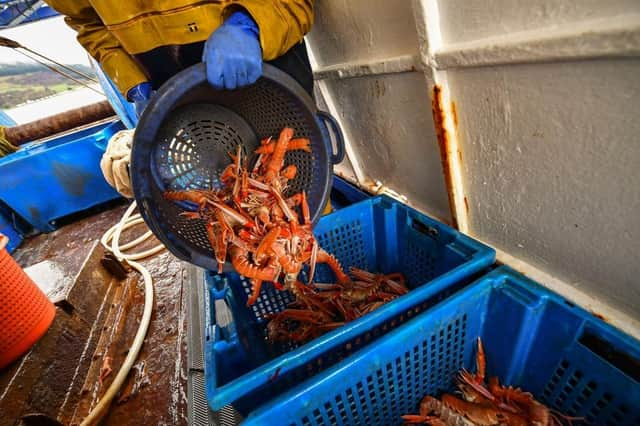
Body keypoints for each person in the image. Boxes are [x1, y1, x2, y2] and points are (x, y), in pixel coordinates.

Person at [44, 1, 315, 117]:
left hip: (268, 69)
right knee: (221, 188)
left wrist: (250, 24)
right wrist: (132, 81)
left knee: (303, 178)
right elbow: (88, 23)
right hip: (177, 95)